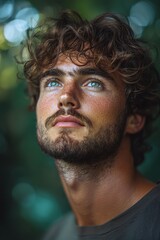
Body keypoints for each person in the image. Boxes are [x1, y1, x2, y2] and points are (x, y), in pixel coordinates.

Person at [23, 9, 160, 240]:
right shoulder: (56, 234)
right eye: (54, 82)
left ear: (134, 118)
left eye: (93, 83)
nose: (65, 96)